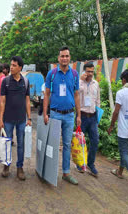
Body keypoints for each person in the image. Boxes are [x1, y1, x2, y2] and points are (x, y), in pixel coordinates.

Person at [43, 46, 81, 185]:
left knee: (66, 145)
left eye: (67, 56)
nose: (64, 58)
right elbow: (46, 94)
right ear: (58, 58)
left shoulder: (75, 74)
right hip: (55, 114)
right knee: (52, 144)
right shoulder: (52, 74)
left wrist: (78, 115)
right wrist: (46, 113)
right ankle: (49, 172)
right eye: (62, 56)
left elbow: (76, 95)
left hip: (70, 115)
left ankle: (66, 173)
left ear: (70, 58)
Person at [0, 56, 32, 180]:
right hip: (7, 119)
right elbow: (2, 101)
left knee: (21, 144)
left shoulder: (26, 82)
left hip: (21, 120)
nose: (11, 67)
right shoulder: (5, 81)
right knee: (6, 143)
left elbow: (27, 100)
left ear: (20, 68)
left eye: (14, 65)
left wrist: (29, 118)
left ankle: (20, 167)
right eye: (11, 65)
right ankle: (6, 166)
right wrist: (1, 119)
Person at [77, 63, 100, 176]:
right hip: (82, 116)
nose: (90, 74)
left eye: (92, 71)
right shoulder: (79, 83)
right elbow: (75, 95)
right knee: (80, 141)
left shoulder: (96, 84)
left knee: (95, 141)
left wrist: (98, 118)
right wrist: (81, 81)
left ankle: (91, 163)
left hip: (93, 117)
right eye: (88, 71)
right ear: (84, 72)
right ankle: (80, 163)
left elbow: (98, 101)